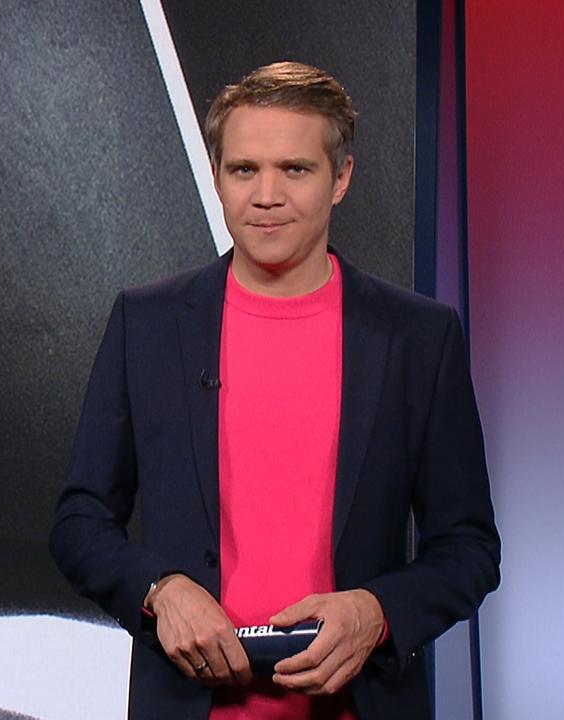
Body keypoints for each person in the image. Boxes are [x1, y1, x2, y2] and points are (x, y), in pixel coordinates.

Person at [49, 61, 500, 719]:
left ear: (341, 177)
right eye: (244, 170)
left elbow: (469, 548)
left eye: (295, 169)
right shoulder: (146, 325)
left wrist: (375, 613)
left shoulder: (417, 338)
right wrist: (159, 590)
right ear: (217, 177)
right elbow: (80, 522)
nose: (266, 195)